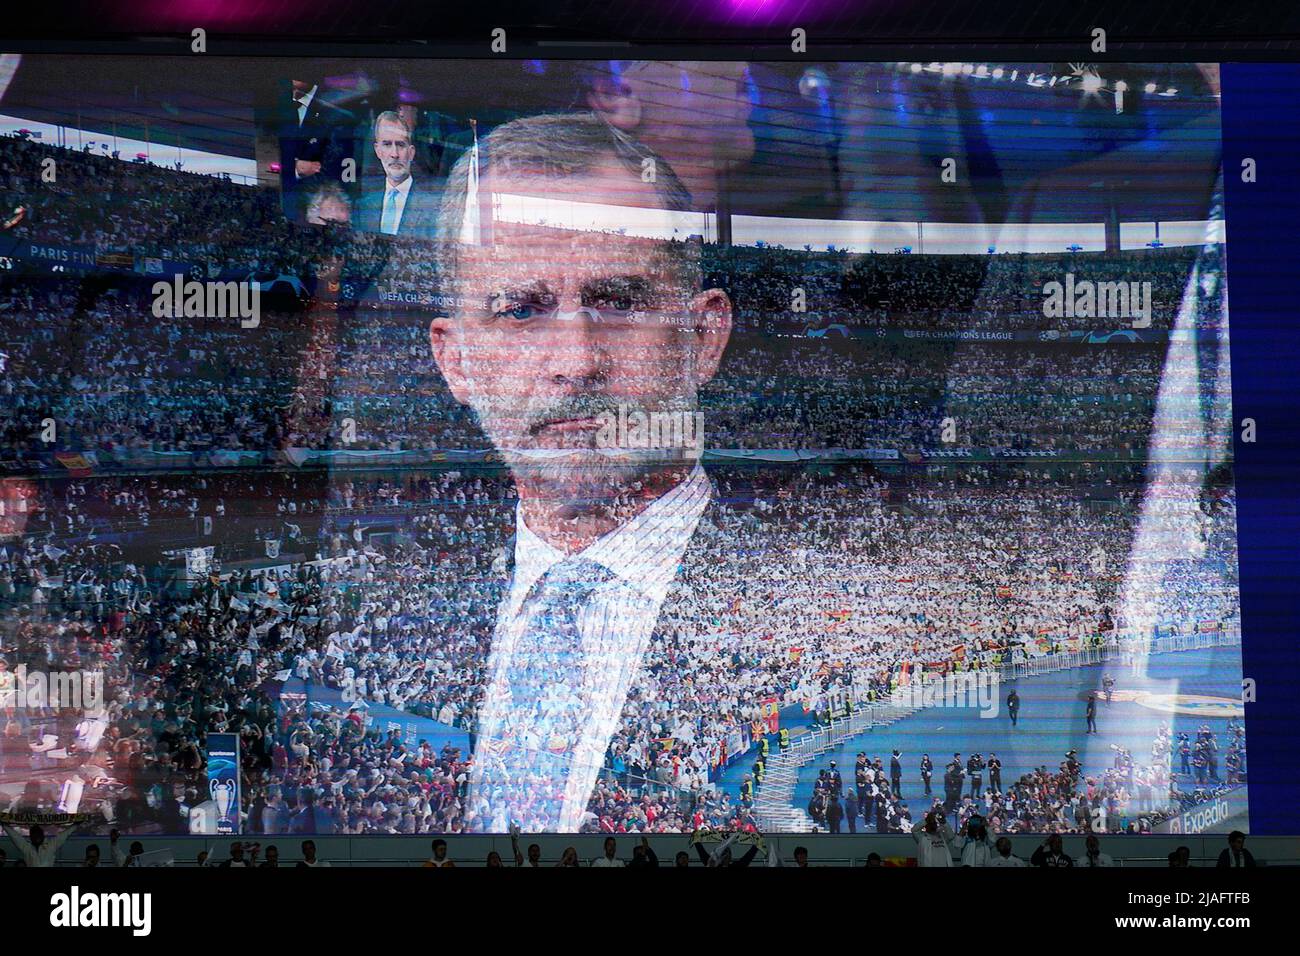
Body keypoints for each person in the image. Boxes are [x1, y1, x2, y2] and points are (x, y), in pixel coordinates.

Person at [430, 111, 738, 832]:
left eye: (618, 302)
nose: (576, 360)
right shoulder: (394, 608)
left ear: (703, 336)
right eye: (520, 311)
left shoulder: (805, 589)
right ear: (456, 361)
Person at [359, 111, 437, 239]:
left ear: (411, 153)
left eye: (400, 145)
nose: (394, 154)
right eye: (387, 144)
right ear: (378, 151)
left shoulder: (433, 207)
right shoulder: (363, 206)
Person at [0, 818, 83, 868]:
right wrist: (4, 825)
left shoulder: (51, 845)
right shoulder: (27, 848)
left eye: (38, 834)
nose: (37, 837)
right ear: (31, 837)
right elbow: (15, 837)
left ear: (42, 835)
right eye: (34, 835)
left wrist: (75, 825)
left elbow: (64, 835)